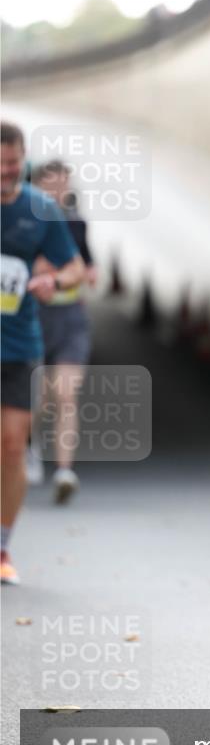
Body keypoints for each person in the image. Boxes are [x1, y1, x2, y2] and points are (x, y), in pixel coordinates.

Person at [1, 122, 84, 584]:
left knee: (12, 447)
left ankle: (2, 547)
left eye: (12, 164)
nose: (6, 174)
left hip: (17, 345)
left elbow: (73, 266)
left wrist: (56, 281)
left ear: (23, 158)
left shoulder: (41, 209)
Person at [29, 159, 96, 503]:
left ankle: (64, 471)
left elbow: (88, 266)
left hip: (70, 319)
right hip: (34, 318)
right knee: (38, 399)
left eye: (63, 186)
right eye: (51, 186)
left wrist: (85, 273)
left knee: (66, 395)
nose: (58, 193)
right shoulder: (23, 225)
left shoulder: (76, 225)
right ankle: (29, 443)